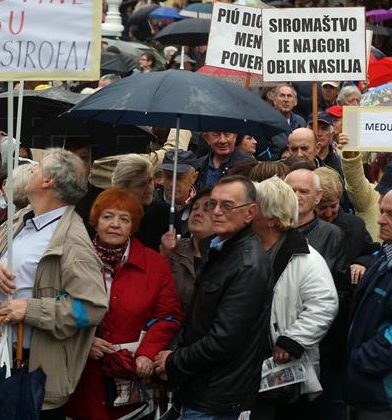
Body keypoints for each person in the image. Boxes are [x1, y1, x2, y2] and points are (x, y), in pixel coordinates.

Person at [0, 148, 108, 417]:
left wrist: (29, 310)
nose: (32, 169)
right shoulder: (23, 217)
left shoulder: (73, 242)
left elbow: (90, 308)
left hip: (29, 374)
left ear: (48, 182)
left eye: (39, 166)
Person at [153, 176, 272, 420]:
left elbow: (224, 340)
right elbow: (198, 318)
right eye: (212, 204)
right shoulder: (220, 250)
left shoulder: (247, 263)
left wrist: (175, 361)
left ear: (250, 213)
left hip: (217, 397)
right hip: (200, 387)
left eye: (227, 206)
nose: (216, 212)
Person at [66, 187, 183, 420]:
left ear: (134, 225)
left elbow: (168, 316)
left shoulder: (155, 264)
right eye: (107, 216)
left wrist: (147, 354)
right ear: (95, 221)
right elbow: (60, 307)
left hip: (132, 381)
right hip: (81, 378)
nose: (115, 224)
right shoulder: (73, 259)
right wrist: (84, 341)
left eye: (124, 218)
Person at [251, 178, 338, 419]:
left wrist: (291, 340)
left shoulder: (307, 259)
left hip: (281, 371)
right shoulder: (245, 250)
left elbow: (324, 305)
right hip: (246, 365)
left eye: (254, 205)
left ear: (271, 218)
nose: (248, 211)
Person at [284, 168, 350, 420]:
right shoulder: (272, 229)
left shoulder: (331, 234)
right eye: (292, 190)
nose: (298, 196)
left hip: (316, 344)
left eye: (304, 191)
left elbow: (338, 291)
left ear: (317, 197)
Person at [344, 188, 392, 420]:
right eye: (382, 211)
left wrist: (365, 359)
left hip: (384, 392)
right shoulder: (384, 255)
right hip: (367, 387)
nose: (380, 219)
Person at [315, 167, 377, 286]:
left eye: (333, 206)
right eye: (322, 208)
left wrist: (362, 263)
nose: (328, 214)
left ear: (339, 199)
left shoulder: (356, 226)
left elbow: (374, 253)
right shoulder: (299, 226)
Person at [160, 187, 214, 315]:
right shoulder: (174, 249)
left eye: (207, 209)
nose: (198, 213)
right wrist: (164, 256)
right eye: (194, 208)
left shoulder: (227, 256)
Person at [112, 154, 169, 251]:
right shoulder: (108, 217)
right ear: (124, 188)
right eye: (141, 185)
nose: (149, 188)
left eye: (150, 181)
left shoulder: (166, 214)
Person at [153, 149, 200, 234]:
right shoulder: (150, 203)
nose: (172, 184)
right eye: (168, 176)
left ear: (194, 177)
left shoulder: (204, 206)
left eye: (178, 178)